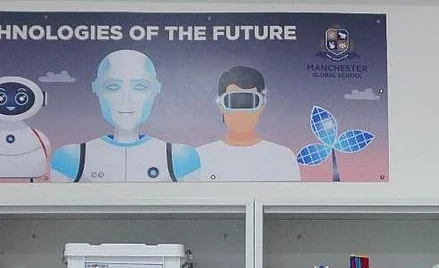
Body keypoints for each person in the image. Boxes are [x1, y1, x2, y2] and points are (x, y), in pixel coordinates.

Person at [50, 49, 200, 183]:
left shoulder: (180, 158)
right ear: (96, 88)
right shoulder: (71, 158)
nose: (126, 99)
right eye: (113, 87)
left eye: (139, 87)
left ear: (156, 89)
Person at [197, 65, 300, 182]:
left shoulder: (282, 157)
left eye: (249, 102)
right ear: (221, 106)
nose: (242, 111)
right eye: (234, 102)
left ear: (262, 106)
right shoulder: (200, 157)